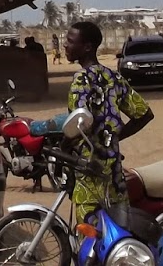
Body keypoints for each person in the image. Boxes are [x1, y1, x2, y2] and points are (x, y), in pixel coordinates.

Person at [63, 21, 153, 222]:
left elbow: (76, 126)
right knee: (117, 239)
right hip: (114, 177)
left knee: (89, 240)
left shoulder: (81, 80)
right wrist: (114, 137)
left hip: (88, 174)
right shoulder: (113, 77)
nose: (65, 45)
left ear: (87, 47)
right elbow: (144, 114)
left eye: (70, 41)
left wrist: (62, 148)